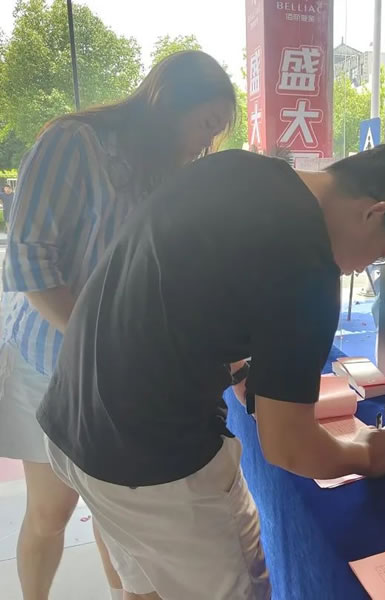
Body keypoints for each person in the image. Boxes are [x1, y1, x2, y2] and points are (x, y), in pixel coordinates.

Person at [36, 144, 385, 600]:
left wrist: (240, 369)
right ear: (374, 213)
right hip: (151, 461)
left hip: (71, 420)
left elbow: (188, 289)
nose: (364, 268)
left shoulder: (234, 168)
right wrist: (365, 457)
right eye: (384, 253)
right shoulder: (308, 262)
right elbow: (289, 447)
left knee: (147, 589)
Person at [0, 50, 236, 600]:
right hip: (50, 361)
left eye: (216, 134)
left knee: (116, 517)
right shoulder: (75, 143)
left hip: (118, 372)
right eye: (206, 123)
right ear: (167, 101)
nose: (206, 142)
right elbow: (30, 263)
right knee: (51, 512)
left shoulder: (166, 173)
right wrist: (100, 341)